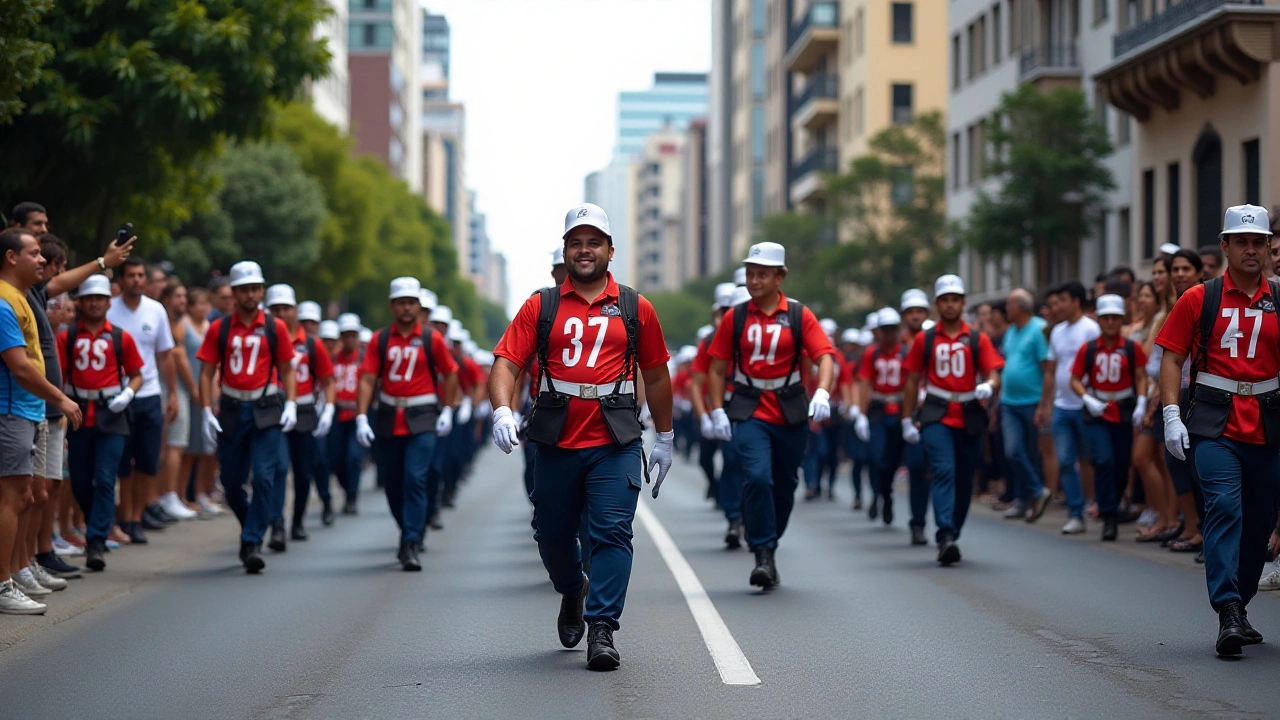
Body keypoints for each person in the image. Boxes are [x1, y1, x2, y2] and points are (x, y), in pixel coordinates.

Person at [488, 203, 674, 671]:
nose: (585, 250)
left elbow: (655, 374)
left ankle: (602, 628)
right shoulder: (541, 305)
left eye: (594, 242)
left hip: (615, 440)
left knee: (612, 532)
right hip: (555, 439)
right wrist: (502, 411)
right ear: (566, 250)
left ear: (611, 250)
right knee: (551, 534)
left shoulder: (635, 307)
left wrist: (666, 438)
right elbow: (507, 363)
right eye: (576, 242)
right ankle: (573, 590)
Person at [1157, 204, 1279, 656]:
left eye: (1259, 242)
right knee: (1224, 506)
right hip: (1213, 421)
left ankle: (1240, 605)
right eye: (1242, 241)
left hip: (1269, 421)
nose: (1251, 250)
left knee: (1260, 522)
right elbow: (1172, 357)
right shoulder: (1199, 297)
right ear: (1225, 246)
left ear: (1268, 247)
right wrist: (1172, 413)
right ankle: (1227, 608)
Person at [706, 241, 836, 589]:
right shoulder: (735, 316)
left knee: (785, 483)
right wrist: (717, 409)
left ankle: (770, 543)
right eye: (750, 274)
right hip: (749, 408)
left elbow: (824, 355)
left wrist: (822, 390)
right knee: (758, 477)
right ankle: (762, 551)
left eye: (762, 274)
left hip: (790, 406)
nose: (754, 280)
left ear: (780, 276)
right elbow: (717, 369)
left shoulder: (798, 314)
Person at [0, 227, 82, 614]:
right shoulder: (2, 301)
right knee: (13, 498)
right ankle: (3, 584)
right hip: (12, 409)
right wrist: (62, 399)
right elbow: (20, 367)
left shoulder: (19, 297)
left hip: (28, 410)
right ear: (11, 257)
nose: (41, 260)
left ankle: (15, 572)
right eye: (34, 253)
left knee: (28, 496)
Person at [196, 261, 297, 574]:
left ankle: (252, 541)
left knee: (265, 476)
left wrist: (291, 403)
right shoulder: (220, 327)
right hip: (230, 407)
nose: (250, 295)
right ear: (234, 293)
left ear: (261, 291)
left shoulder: (274, 326)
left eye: (255, 289)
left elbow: (287, 368)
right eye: (244, 289)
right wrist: (204, 409)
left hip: (266, 406)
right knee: (230, 481)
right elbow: (207, 371)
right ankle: (252, 524)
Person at [355, 277, 459, 570]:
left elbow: (450, 373)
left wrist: (448, 409)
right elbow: (367, 378)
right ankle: (409, 528)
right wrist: (362, 416)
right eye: (401, 302)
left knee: (415, 477)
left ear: (418, 306)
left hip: (423, 416)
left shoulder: (431, 338)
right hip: (389, 416)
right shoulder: (380, 339)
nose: (406, 308)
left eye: (411, 303)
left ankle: (411, 540)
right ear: (392, 306)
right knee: (391, 482)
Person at [901, 275, 1003, 566]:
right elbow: (910, 379)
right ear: (937, 305)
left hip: (969, 414)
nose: (949, 305)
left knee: (963, 476)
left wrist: (990, 386)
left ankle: (953, 532)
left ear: (963, 303)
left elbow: (994, 371)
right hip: (936, 413)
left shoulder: (976, 338)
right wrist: (907, 419)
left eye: (955, 300)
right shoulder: (926, 338)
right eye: (944, 300)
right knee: (943, 470)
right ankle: (944, 534)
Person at [61, 275, 145, 571]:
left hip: (112, 415)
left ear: (109, 303)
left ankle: (96, 540)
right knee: (81, 480)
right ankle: (94, 521)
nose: (94, 303)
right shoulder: (68, 336)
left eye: (100, 298)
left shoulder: (121, 337)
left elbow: (137, 373)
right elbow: (59, 376)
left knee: (106, 478)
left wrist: (128, 393)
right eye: (89, 298)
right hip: (79, 414)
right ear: (81, 302)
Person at [108, 256, 180, 544]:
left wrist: (173, 392)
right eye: (131, 275)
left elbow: (165, 354)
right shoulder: (110, 310)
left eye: (140, 275)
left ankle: (137, 517)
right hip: (118, 394)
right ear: (122, 280)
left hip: (149, 393)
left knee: (148, 461)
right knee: (123, 463)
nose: (136, 280)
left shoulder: (156, 310)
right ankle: (124, 517)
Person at [1071, 294, 1148, 542]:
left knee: (1121, 462)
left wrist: (1142, 402)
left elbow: (1140, 376)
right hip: (1097, 411)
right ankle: (1108, 514)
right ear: (1100, 321)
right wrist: (1086, 398)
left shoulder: (1131, 347)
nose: (1111, 323)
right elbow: (1074, 379)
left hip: (1124, 409)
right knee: (1103, 460)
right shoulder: (1090, 348)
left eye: (1116, 318)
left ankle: (1115, 503)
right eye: (1106, 318)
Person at [265, 284, 335, 546]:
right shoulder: (263, 338)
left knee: (304, 472)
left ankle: (297, 521)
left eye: (286, 308)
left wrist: (328, 408)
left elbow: (328, 380)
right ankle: (277, 524)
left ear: (294, 309)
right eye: (276, 309)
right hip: (272, 409)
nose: (282, 313)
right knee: (279, 468)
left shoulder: (311, 343)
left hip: (304, 411)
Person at [1039, 281, 1100, 534]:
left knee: (1088, 459)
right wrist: (1045, 404)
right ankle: (1076, 512)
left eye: (1063, 300)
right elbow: (1051, 372)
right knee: (1065, 459)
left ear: (1076, 301)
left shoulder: (1091, 329)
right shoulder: (1057, 331)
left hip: (1085, 405)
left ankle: (1092, 503)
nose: (1059, 306)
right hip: (1062, 406)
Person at [850, 308, 911, 535]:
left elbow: (911, 382)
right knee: (876, 457)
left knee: (892, 460)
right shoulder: (871, 354)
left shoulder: (905, 352)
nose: (888, 334)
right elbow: (864, 382)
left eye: (892, 329)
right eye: (885, 330)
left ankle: (885, 495)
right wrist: (861, 413)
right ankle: (879, 493)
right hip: (877, 410)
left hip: (898, 409)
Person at [692, 282, 742, 547]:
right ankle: (734, 518)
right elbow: (697, 382)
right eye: (724, 309)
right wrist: (706, 416)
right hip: (726, 409)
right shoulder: (712, 340)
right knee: (730, 460)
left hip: (761, 408)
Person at [998, 289, 1053, 522]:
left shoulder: (1039, 329)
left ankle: (1027, 500)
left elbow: (1047, 369)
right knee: (1013, 452)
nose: (1006, 310)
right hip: (1009, 402)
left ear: (1019, 307)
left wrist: (1044, 404)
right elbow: (1007, 364)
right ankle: (1033, 494)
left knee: (1029, 454)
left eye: (1009, 306)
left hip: (1032, 401)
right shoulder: (1011, 331)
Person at [158, 280, 199, 520]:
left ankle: (168, 496)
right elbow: (178, 357)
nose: (183, 301)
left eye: (185, 297)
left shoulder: (176, 324)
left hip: (173, 387)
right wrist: (193, 388)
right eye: (178, 297)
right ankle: (167, 496)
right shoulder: (171, 325)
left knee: (172, 444)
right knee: (174, 444)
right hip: (169, 387)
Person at [180, 287, 220, 517]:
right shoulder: (184, 326)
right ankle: (183, 495)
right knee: (189, 447)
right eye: (199, 304)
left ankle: (202, 493)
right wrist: (195, 388)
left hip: (209, 393)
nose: (203, 308)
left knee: (207, 448)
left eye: (207, 303)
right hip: (191, 391)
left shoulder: (210, 327)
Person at [330, 313, 365, 514]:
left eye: (353, 335)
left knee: (354, 457)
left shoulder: (364, 359)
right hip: (337, 414)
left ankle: (352, 496)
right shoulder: (333, 359)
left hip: (357, 414)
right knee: (335, 458)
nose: (349, 339)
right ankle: (346, 487)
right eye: (345, 335)